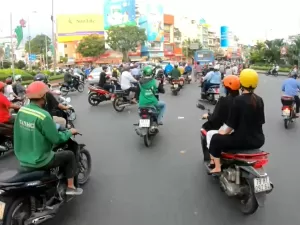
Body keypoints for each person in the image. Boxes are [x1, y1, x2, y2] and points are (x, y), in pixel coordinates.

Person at [14, 81, 82, 195]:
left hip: (22, 158)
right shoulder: (43, 115)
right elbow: (56, 139)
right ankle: (71, 187)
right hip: (40, 160)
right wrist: (69, 132)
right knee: (69, 155)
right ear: (44, 96)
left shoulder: (21, 111)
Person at [208, 69, 265, 174]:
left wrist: (221, 133)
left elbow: (230, 126)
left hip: (241, 141)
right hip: (259, 140)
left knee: (215, 138)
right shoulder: (259, 99)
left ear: (241, 83)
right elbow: (260, 122)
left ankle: (217, 167)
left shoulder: (238, 100)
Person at [202, 75, 240, 150]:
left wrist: (208, 117)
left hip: (227, 128)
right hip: (239, 130)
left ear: (227, 88)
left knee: (208, 133)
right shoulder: (242, 100)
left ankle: (213, 158)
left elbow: (216, 118)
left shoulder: (223, 100)